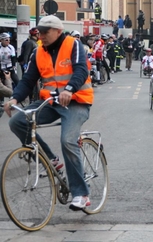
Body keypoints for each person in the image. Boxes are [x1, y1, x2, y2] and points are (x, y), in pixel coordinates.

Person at [4, 15, 93, 210]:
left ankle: (81, 194)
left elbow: (81, 71)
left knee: (68, 141)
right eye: (39, 32)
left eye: (45, 32)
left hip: (77, 101)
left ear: (58, 31)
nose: (41, 35)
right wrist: (14, 99)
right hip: (50, 102)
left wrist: (70, 89)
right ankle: (50, 158)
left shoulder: (73, 45)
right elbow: (28, 80)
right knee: (17, 121)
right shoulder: (38, 52)